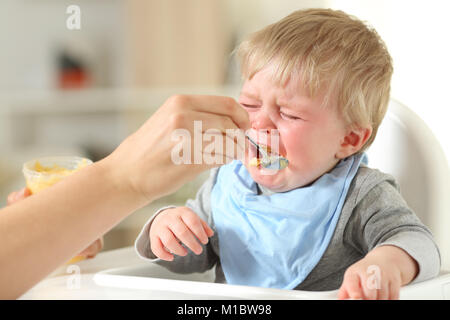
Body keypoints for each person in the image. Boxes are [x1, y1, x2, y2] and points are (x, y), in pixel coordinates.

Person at [135, 9, 441, 300]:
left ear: (348, 138)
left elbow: (420, 244)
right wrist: (166, 229)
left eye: (289, 114)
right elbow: (191, 258)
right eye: (251, 104)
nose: (260, 123)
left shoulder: (361, 195)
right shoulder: (227, 181)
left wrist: (385, 263)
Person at [0, 94, 250, 299]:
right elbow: (192, 250)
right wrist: (124, 180)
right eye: (251, 105)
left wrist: (44, 235)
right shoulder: (224, 188)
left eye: (289, 114)